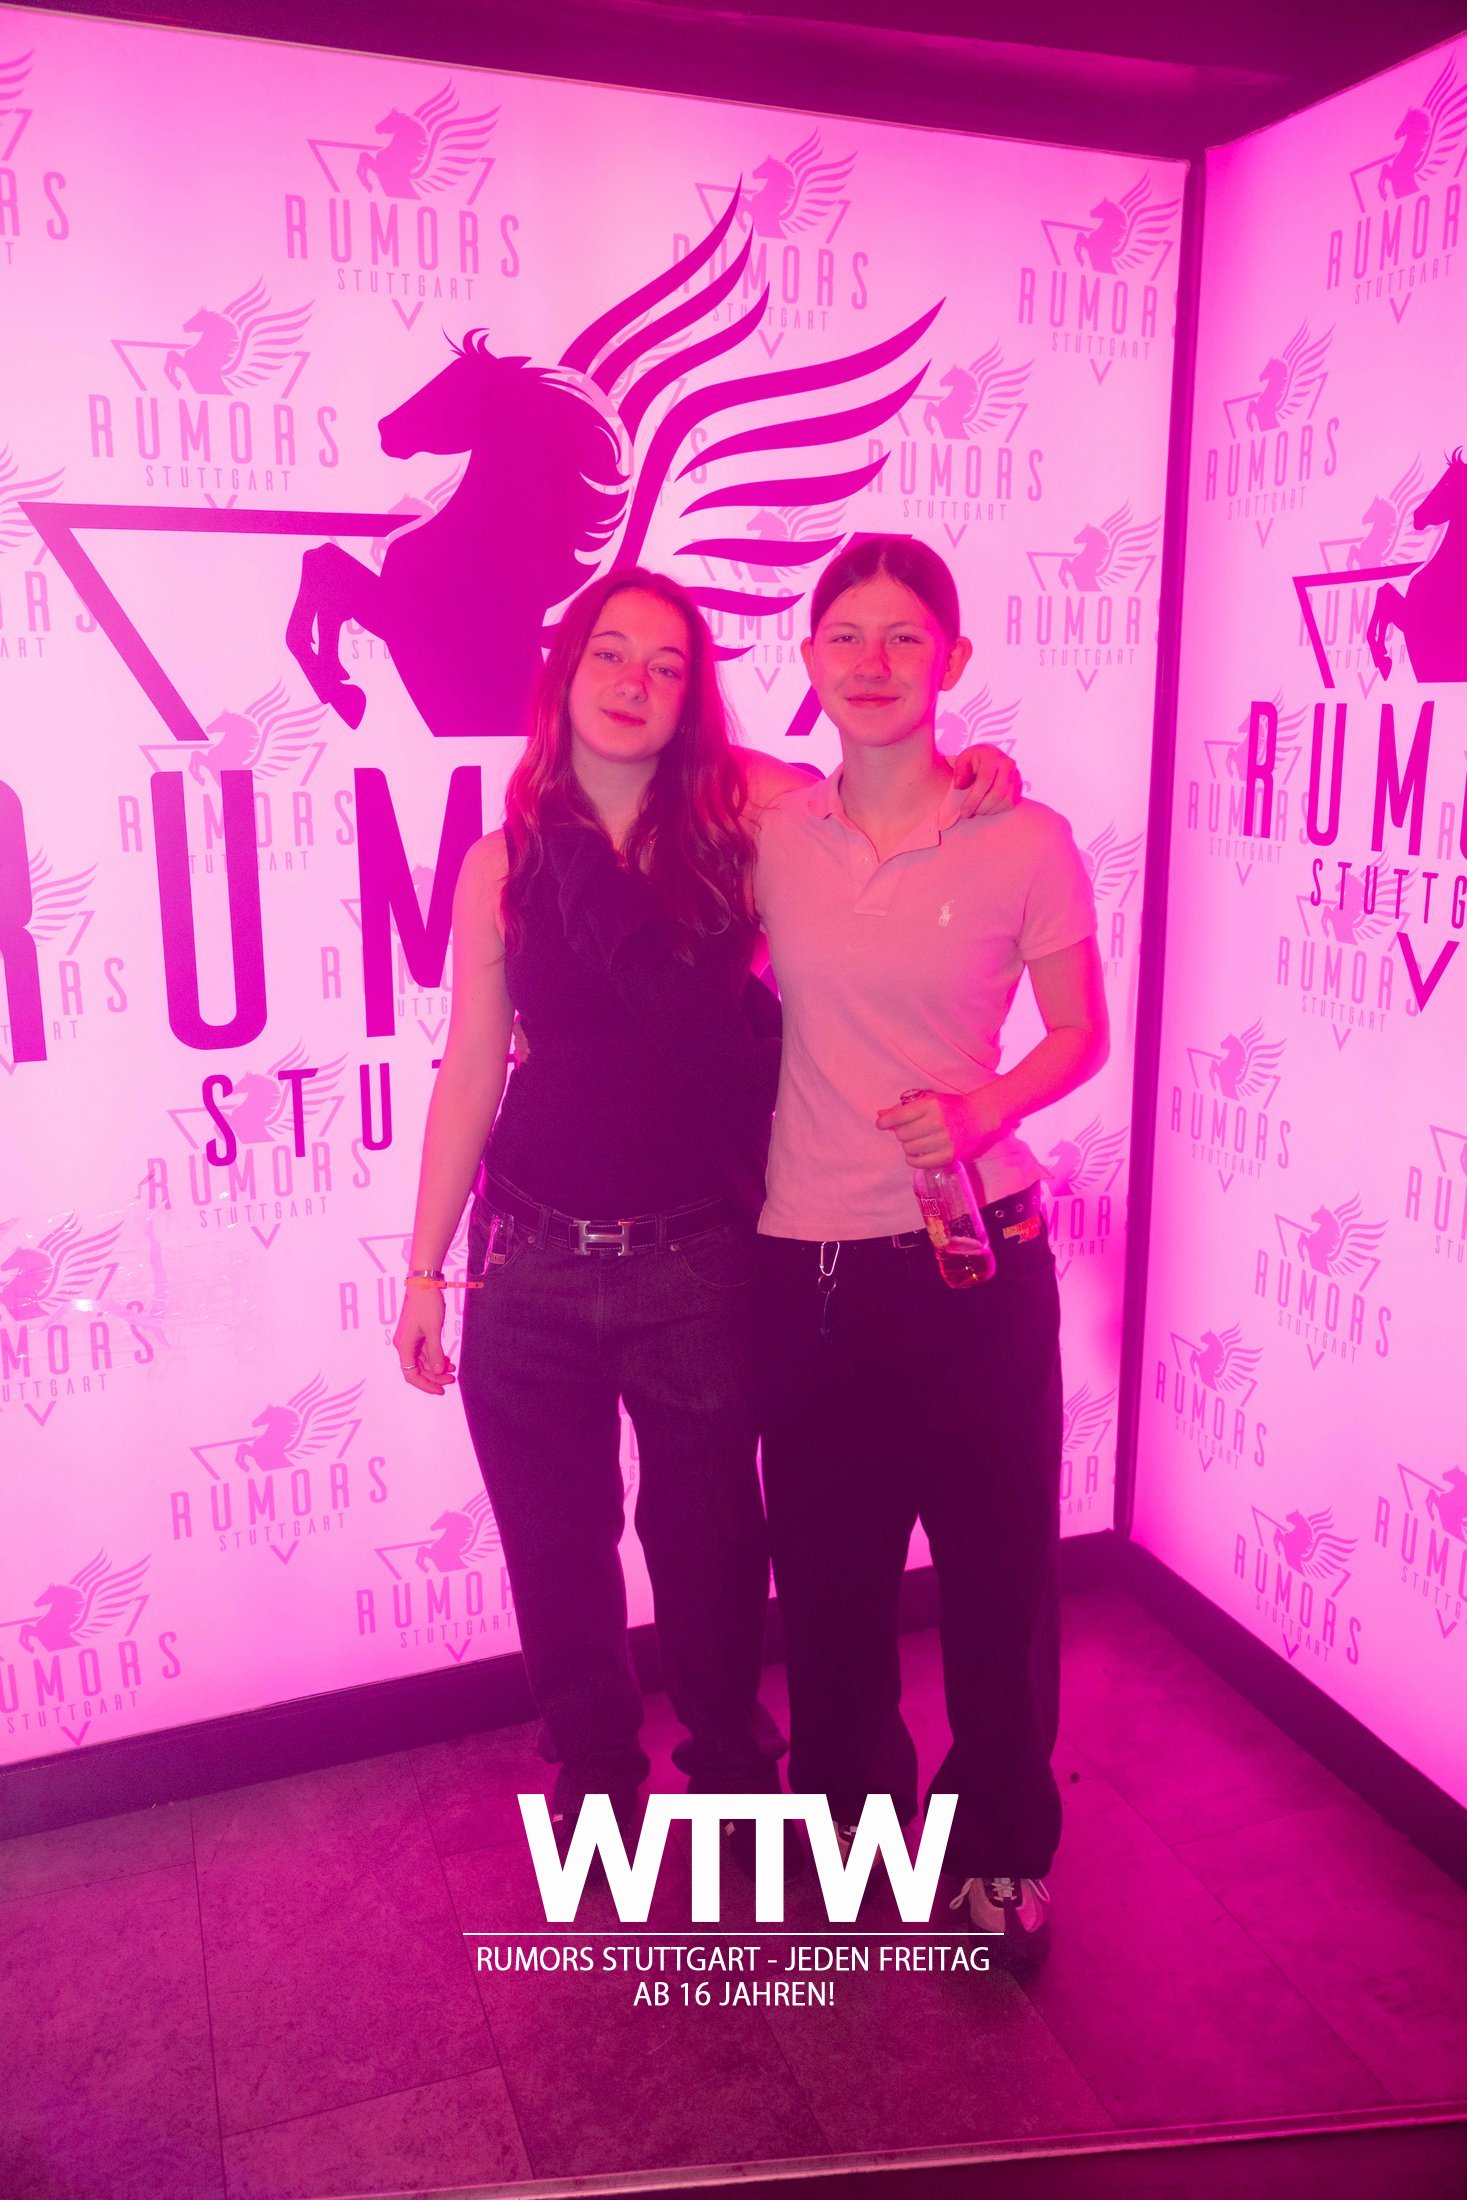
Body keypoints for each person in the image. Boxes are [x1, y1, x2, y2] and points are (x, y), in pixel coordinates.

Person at [391, 562, 1019, 1861]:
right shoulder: (502, 864)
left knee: (713, 1551)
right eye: (610, 654)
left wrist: (975, 769)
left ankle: (732, 1769)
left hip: (697, 1268)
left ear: (693, 699)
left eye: (666, 665)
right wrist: (424, 1269)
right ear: (564, 674)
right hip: (531, 1270)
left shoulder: (748, 829)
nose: (634, 682)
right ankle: (596, 1772)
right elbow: (469, 1066)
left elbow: (879, 782)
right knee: (556, 1553)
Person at [753, 535, 1108, 1967]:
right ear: (808, 660)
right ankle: (852, 1835)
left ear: (953, 659)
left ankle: (1002, 1852)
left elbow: (1079, 1034)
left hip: (979, 1261)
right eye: (846, 636)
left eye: (907, 636)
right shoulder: (771, 827)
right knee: (828, 1580)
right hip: (809, 1270)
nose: (875, 662)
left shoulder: (1026, 839)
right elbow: (653, 769)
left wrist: (985, 1107)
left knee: (998, 1577)